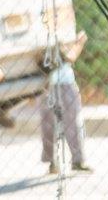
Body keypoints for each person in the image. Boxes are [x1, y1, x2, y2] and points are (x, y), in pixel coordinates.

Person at [39, 30, 91, 175]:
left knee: (71, 124)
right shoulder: (42, 35)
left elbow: (67, 58)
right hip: (48, 86)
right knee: (49, 125)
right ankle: (53, 162)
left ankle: (76, 160)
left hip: (64, 84)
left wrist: (77, 43)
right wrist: (79, 43)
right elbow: (69, 57)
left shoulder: (60, 32)